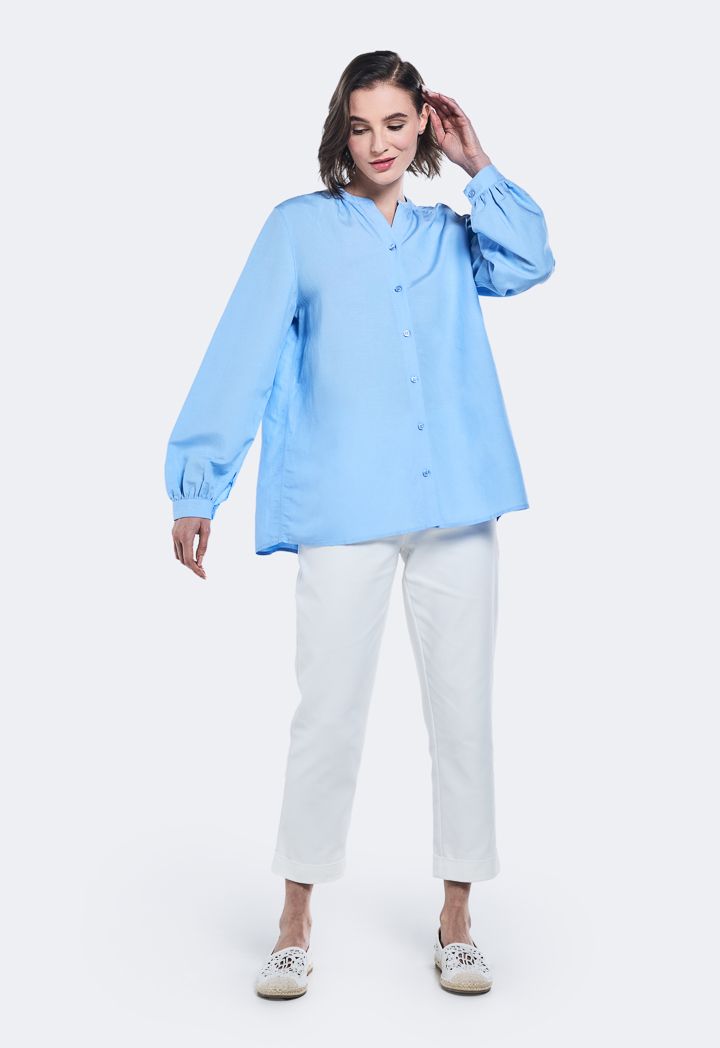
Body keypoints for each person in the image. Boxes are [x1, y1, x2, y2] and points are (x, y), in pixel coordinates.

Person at [165, 50, 555, 999]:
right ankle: (294, 919)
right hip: (342, 505)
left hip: (455, 502)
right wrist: (198, 486)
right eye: (360, 124)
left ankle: (457, 918)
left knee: (463, 711)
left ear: (423, 124)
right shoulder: (298, 229)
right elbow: (241, 351)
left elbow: (532, 260)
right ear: (341, 132)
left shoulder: (451, 236)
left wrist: (480, 163)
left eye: (396, 122)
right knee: (328, 712)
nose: (379, 143)